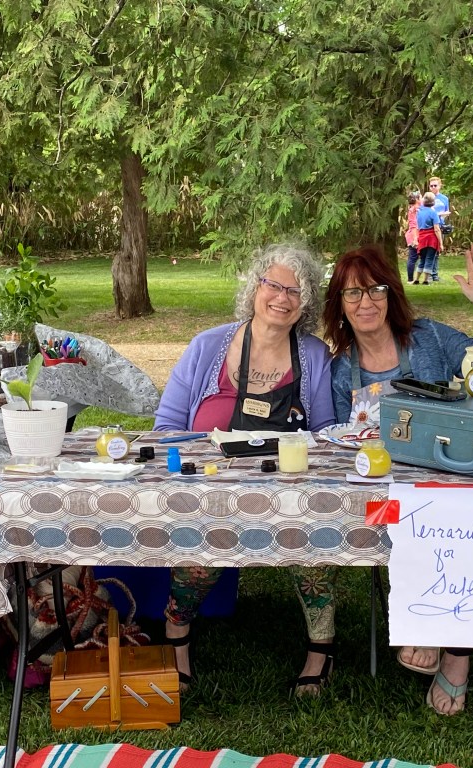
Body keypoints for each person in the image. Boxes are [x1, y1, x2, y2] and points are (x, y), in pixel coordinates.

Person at [323, 243, 473, 715]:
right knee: (411, 516)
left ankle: (456, 651)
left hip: (446, 471)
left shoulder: (428, 339)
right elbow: (331, 438)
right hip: (383, 486)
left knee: (464, 513)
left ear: (392, 295)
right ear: (339, 306)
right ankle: (428, 621)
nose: (366, 302)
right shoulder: (338, 369)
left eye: (376, 289)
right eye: (353, 293)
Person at [153, 243, 336, 695]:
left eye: (296, 290)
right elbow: (165, 427)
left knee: (311, 544)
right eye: (273, 284)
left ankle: (321, 649)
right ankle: (177, 638)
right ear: (255, 288)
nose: (283, 297)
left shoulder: (313, 355)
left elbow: (329, 431)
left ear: (306, 302)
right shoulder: (208, 346)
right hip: (208, 488)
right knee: (197, 556)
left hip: (288, 492)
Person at [412, 192, 442, 285]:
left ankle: (416, 279)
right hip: (431, 239)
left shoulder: (419, 212)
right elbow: (436, 229)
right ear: (433, 202)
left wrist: (416, 239)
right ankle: (425, 280)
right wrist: (441, 243)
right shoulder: (433, 213)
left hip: (422, 238)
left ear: (424, 201)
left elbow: (417, 227)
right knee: (429, 259)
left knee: (422, 259)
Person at [428, 176, 452, 281]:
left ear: (440, 186)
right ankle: (428, 274)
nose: (433, 187)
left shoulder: (444, 199)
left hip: (440, 225)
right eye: (431, 185)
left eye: (435, 185)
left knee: (437, 250)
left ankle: (435, 274)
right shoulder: (427, 198)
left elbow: (447, 211)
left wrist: (444, 214)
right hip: (429, 226)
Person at [404, 190, 421, 283]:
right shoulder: (414, 211)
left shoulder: (416, 209)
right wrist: (415, 239)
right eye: (420, 197)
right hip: (415, 236)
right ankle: (411, 279)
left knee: (413, 257)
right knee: (413, 257)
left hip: (415, 235)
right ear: (417, 199)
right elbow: (414, 226)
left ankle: (413, 278)